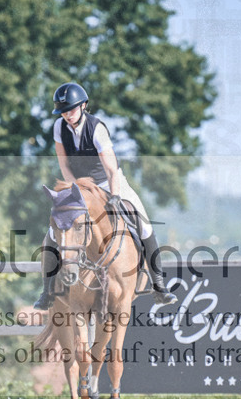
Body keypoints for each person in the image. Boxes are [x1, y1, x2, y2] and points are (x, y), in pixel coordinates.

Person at [35, 82, 178, 309]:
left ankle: (159, 285)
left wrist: (115, 196)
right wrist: (75, 192)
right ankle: (47, 291)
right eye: (63, 111)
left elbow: (111, 169)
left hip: (109, 181)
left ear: (83, 106)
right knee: (55, 230)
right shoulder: (58, 127)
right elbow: (64, 164)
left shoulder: (97, 128)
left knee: (143, 224)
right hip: (79, 185)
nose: (67, 115)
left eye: (71, 109)